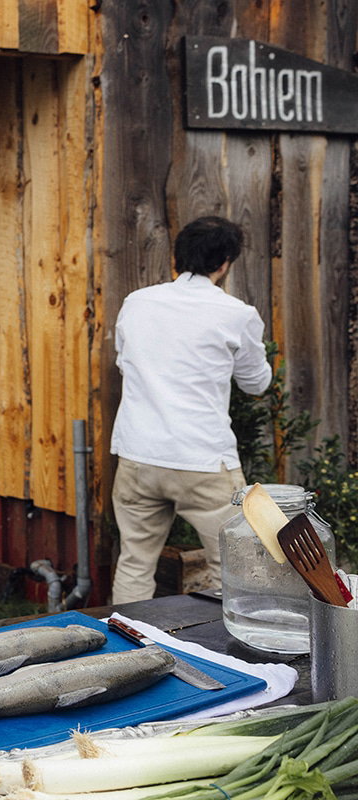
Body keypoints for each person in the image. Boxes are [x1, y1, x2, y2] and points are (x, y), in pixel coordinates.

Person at [109, 215, 272, 604]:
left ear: (177, 258)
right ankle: (225, 656)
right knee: (233, 566)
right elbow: (257, 383)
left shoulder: (137, 303)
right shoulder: (237, 314)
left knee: (134, 563)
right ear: (225, 263)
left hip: (138, 456)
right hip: (203, 460)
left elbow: (124, 361)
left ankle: (126, 651)